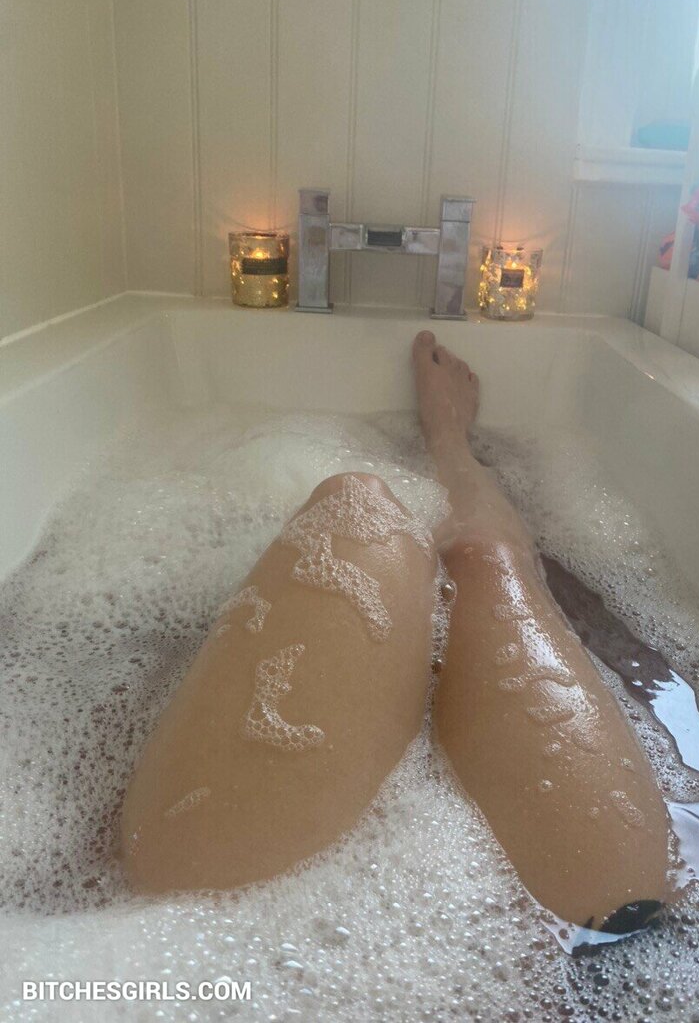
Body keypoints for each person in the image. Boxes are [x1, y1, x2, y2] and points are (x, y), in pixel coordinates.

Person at [121, 331, 669, 933]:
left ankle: (445, 541)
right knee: (486, 562)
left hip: (197, 938)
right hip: (586, 950)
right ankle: (453, 458)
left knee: (356, 500)